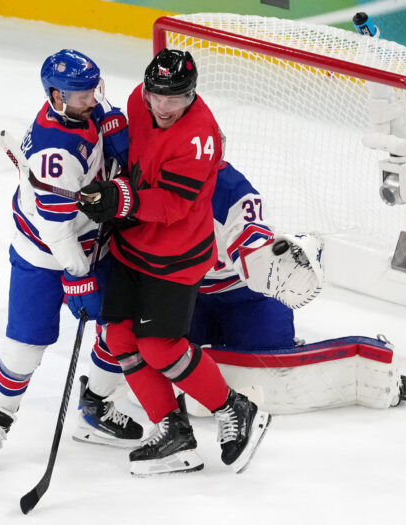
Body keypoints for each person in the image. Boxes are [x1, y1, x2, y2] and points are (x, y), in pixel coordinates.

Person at [77, 49, 271, 476]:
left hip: (176, 257)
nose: (163, 107)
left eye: (176, 98)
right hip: (133, 247)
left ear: (192, 95)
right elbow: (127, 154)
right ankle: (174, 433)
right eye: (157, 95)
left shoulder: (201, 137)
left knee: (160, 347)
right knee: (121, 339)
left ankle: (235, 408)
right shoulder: (136, 102)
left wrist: (117, 200)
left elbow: (172, 204)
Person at [0, 49, 143, 465]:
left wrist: (117, 132)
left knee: (119, 330)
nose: (92, 99)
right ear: (56, 96)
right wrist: (77, 274)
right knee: (24, 347)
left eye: (93, 90)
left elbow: (107, 115)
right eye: (82, 94)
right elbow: (55, 231)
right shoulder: (54, 155)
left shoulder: (82, 108)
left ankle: (96, 406)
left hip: (93, 242)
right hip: (44, 255)